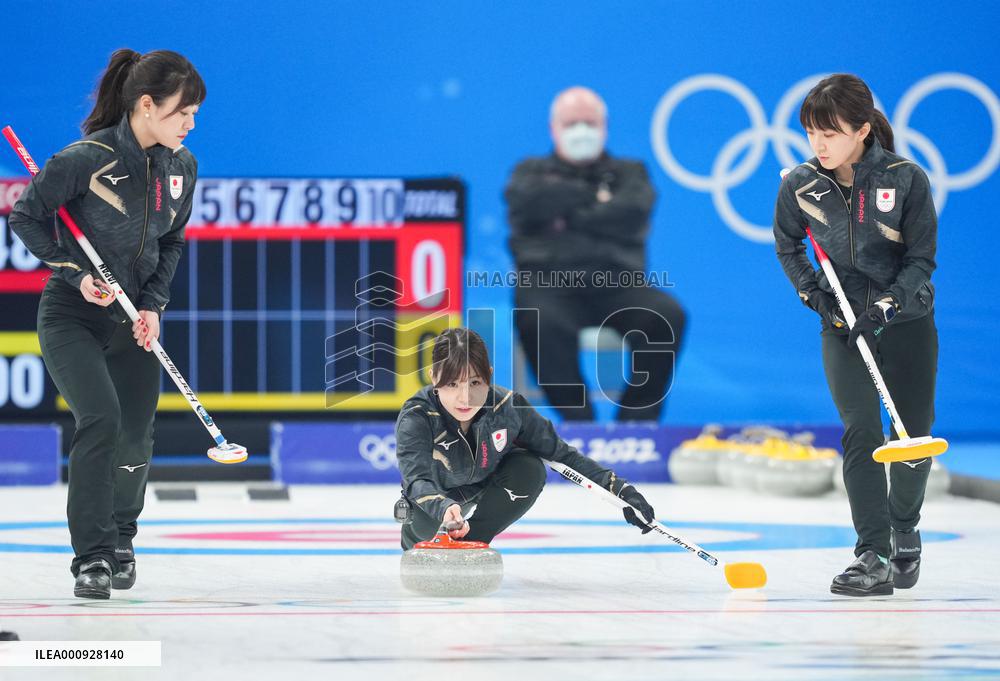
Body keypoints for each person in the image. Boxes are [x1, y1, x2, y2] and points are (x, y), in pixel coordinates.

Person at [9, 49, 204, 599]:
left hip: (133, 322)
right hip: (74, 317)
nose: (191, 123)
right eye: (182, 112)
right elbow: (26, 216)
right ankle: (91, 558)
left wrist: (153, 305)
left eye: (194, 114)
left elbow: (171, 239)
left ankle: (122, 537)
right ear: (147, 105)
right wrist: (74, 274)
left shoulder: (182, 167)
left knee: (137, 433)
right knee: (102, 420)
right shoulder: (83, 159)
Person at [773, 74, 938, 596]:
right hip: (841, 325)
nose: (818, 145)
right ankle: (873, 553)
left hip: (905, 323)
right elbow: (788, 247)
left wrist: (888, 305)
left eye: (831, 133)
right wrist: (812, 294)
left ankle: (904, 528)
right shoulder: (799, 185)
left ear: (863, 129)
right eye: (810, 133)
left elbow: (921, 261)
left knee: (911, 440)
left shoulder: (906, 179)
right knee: (860, 431)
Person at [504, 86, 686, 422]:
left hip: (619, 284)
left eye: (589, 122)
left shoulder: (631, 172)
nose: (581, 131)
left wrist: (565, 214)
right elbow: (528, 204)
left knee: (667, 315)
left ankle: (636, 425)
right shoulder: (528, 173)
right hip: (549, 285)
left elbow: (631, 213)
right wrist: (597, 199)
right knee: (536, 318)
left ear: (604, 127)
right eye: (571, 123)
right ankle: (580, 427)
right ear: (553, 129)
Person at [395, 327, 656, 549]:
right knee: (423, 526)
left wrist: (620, 490)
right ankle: (418, 536)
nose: (465, 398)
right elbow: (416, 479)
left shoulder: (509, 408)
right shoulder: (418, 416)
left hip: (484, 485)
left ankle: (472, 541)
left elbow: (562, 455)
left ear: (489, 374)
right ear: (433, 378)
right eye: (452, 384)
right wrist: (443, 507)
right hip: (434, 501)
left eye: (475, 383)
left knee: (529, 467)